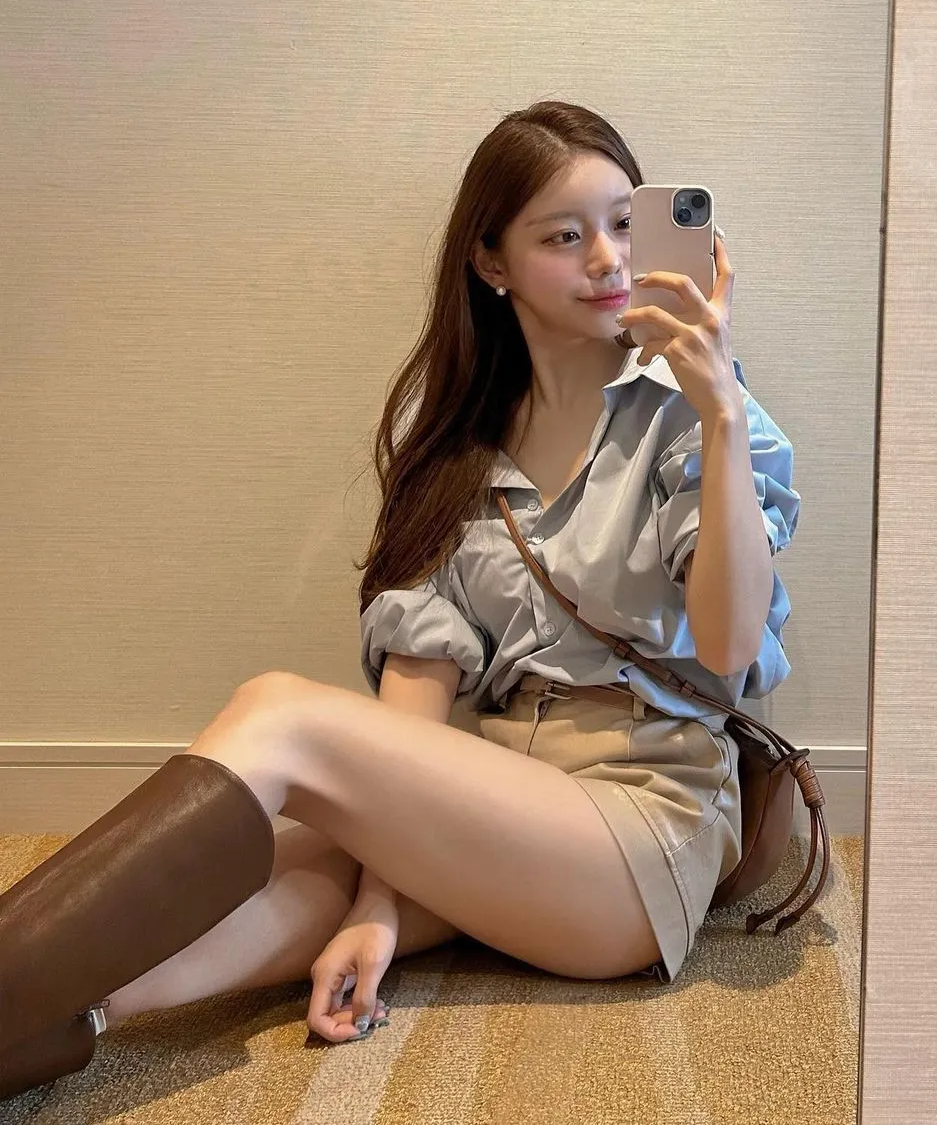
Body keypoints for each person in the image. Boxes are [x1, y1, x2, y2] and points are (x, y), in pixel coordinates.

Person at [0, 100, 799, 1102]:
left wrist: (718, 408)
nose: (608, 259)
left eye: (623, 224)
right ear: (493, 262)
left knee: (283, 715)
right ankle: (60, 1022)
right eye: (564, 236)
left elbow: (728, 645)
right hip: (498, 798)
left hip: (644, 826)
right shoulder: (457, 446)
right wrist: (380, 904)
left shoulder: (696, 409)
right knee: (294, 869)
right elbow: (417, 701)